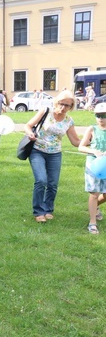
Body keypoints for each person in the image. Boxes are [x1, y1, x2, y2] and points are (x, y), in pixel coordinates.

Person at [24, 89, 81, 223]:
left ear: (71, 107)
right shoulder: (46, 111)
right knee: (41, 180)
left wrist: (92, 142)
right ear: (56, 102)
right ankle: (38, 211)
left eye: (67, 105)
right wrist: (30, 134)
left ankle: (48, 209)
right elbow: (28, 125)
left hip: (55, 154)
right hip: (37, 151)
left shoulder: (68, 121)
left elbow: (75, 141)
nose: (63, 107)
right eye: (61, 103)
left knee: (53, 184)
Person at [78, 103, 106, 234]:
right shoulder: (92, 129)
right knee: (94, 193)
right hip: (93, 165)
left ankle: (95, 208)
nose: (101, 118)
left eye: (104, 116)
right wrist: (94, 151)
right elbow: (81, 147)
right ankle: (92, 223)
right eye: (98, 115)